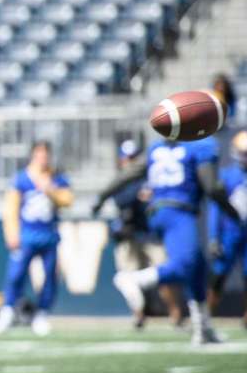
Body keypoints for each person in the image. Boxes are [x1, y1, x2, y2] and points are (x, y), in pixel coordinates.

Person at [99, 133, 238, 345]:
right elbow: (211, 187)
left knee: (197, 268)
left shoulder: (156, 148)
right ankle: (135, 279)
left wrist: (101, 196)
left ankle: (203, 328)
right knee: (184, 264)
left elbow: (127, 175)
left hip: (158, 212)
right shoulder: (201, 146)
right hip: (179, 211)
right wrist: (232, 212)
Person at [92, 140, 182, 328]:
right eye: (127, 158)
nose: (129, 162)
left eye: (133, 158)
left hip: (151, 234)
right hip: (129, 235)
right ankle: (139, 315)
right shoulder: (122, 181)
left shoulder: (151, 176)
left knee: (164, 274)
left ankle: (175, 313)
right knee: (127, 277)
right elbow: (123, 201)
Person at [0, 141, 73, 336]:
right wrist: (11, 233)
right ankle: (7, 310)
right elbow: (10, 209)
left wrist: (50, 190)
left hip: (48, 234)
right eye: (39, 154)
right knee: (16, 275)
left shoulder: (57, 178)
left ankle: (42, 312)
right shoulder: (21, 179)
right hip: (26, 234)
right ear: (33, 156)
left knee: (50, 276)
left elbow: (68, 200)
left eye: (45, 154)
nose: (42, 158)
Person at [206, 130, 247, 324]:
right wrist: (214, 236)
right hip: (231, 230)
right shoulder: (228, 175)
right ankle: (207, 315)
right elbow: (216, 209)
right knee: (219, 274)